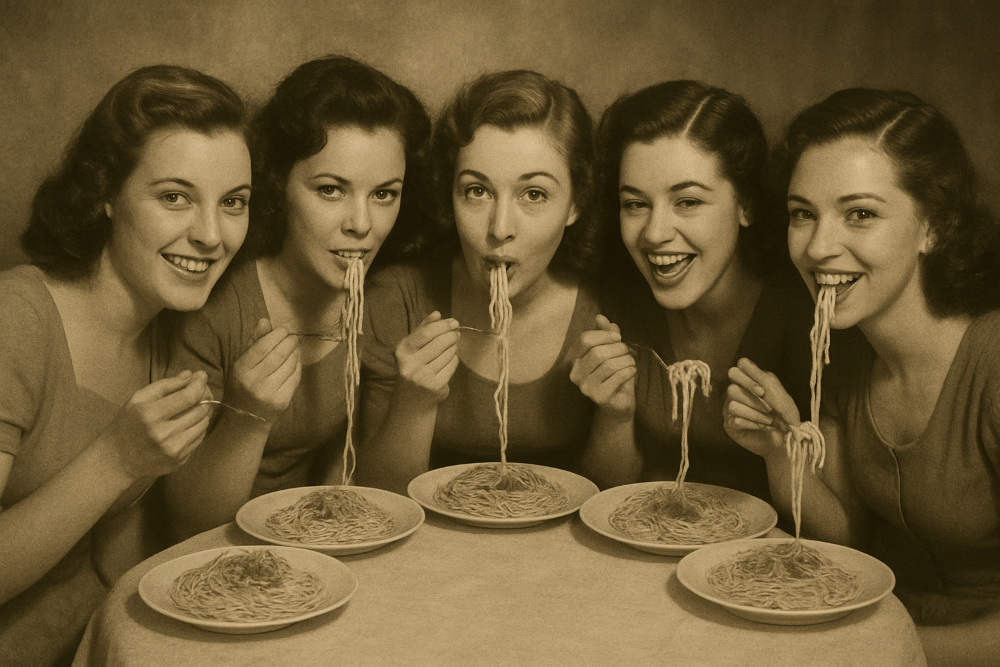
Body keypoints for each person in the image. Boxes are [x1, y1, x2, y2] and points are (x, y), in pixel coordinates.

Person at [724, 88, 1000, 667]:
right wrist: (779, 449)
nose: (819, 247)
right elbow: (844, 537)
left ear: (934, 226)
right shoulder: (843, 348)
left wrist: (873, 648)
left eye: (861, 214)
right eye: (803, 214)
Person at [0, 65, 249, 666]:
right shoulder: (16, 321)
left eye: (233, 203)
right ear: (105, 193)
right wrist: (115, 459)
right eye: (174, 197)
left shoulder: (174, 330)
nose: (211, 235)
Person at [162, 55, 432, 539]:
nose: (362, 224)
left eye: (384, 194)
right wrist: (249, 417)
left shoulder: (378, 302)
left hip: (320, 547)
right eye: (330, 190)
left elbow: (379, 490)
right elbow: (187, 523)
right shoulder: (215, 307)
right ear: (278, 184)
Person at [357, 70, 601, 494]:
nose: (500, 228)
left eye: (534, 194)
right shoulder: (396, 297)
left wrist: (616, 415)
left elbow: (616, 501)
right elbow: (377, 498)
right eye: (477, 191)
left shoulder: (604, 310)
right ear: (449, 195)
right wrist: (413, 403)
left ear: (575, 203)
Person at [572, 80, 812, 495]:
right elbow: (606, 495)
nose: (654, 233)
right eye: (635, 204)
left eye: (688, 202)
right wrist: (615, 414)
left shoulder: (806, 317)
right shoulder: (620, 303)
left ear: (746, 204)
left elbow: (840, 527)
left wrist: (782, 452)